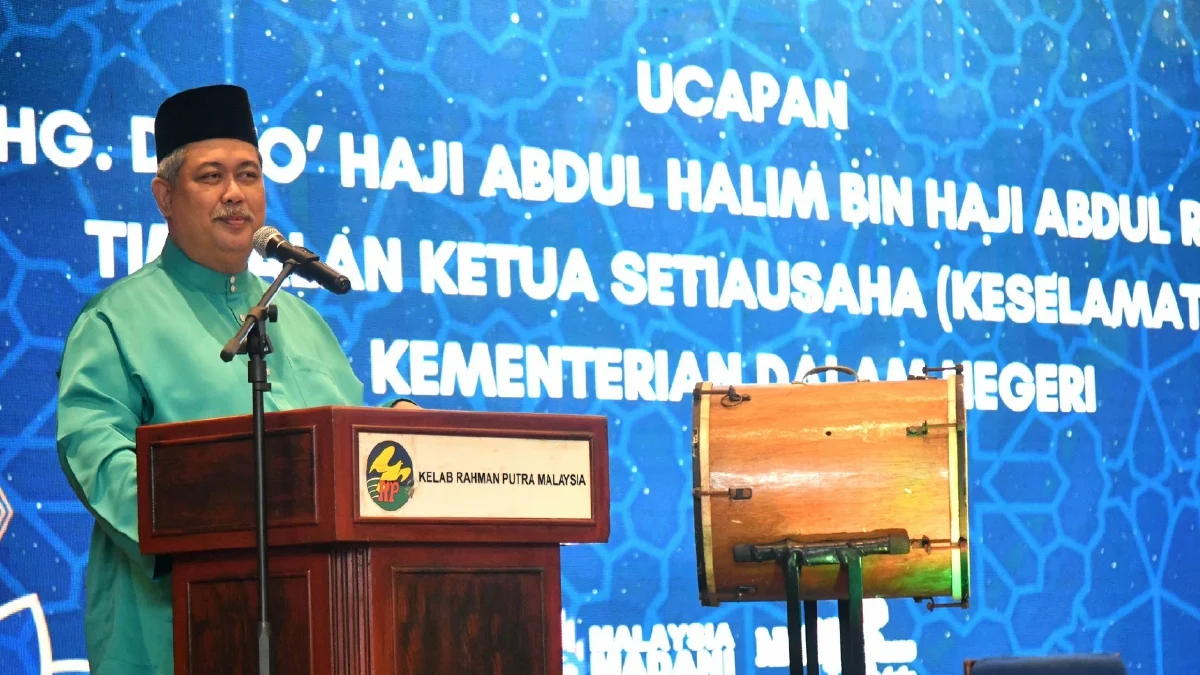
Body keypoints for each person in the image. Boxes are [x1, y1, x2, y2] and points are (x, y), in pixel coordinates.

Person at [55, 84, 414, 675]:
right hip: (179, 632)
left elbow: (339, 456)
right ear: (165, 197)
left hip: (320, 630)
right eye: (211, 177)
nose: (234, 194)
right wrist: (216, 519)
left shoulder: (304, 321)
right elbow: (97, 457)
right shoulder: (114, 322)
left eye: (249, 175)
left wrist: (393, 434)